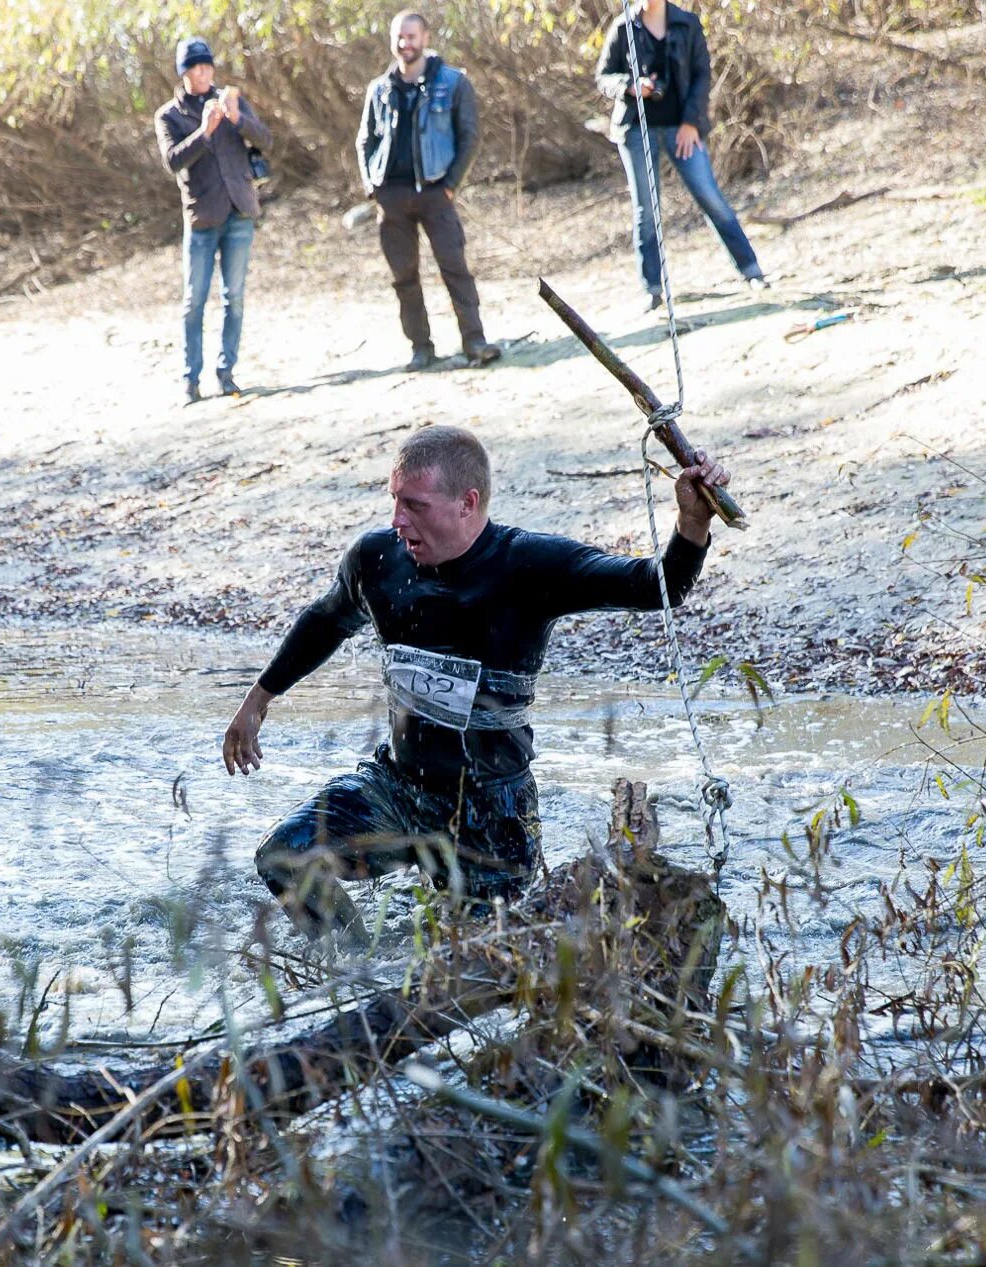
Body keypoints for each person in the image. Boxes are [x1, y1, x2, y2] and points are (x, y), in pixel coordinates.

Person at [222, 425, 729, 938]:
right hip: (398, 787)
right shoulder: (377, 561)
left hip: (491, 812)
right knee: (286, 855)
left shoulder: (530, 566)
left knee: (475, 960)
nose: (399, 521)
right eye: (395, 502)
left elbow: (657, 587)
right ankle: (356, 971)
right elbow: (327, 619)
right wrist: (259, 698)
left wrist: (692, 523)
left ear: (467, 503)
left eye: (415, 506)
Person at [595, 0, 766, 310]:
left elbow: (702, 76)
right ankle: (652, 289)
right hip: (636, 129)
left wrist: (691, 122)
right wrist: (629, 86)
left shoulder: (687, 23)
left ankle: (751, 270)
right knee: (646, 208)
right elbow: (603, 77)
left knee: (709, 195)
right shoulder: (623, 27)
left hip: (682, 127)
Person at [355, 11, 500, 371]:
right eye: (400, 37)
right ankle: (421, 347)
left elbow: (470, 137)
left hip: (437, 192)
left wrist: (451, 185)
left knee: (455, 268)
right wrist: (372, 186)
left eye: (412, 36)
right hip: (391, 197)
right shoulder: (379, 88)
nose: (406, 43)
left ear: (426, 37)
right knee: (403, 276)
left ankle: (474, 342)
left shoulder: (452, 83)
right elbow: (365, 140)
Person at [155, 37, 273, 403]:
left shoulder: (231, 101)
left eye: (208, 67)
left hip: (240, 210)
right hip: (203, 216)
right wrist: (203, 131)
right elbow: (172, 161)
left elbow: (265, 140)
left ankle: (227, 372)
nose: (205, 73)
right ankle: (191, 378)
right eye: (197, 68)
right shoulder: (169, 115)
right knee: (194, 301)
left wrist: (237, 118)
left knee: (233, 297)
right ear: (184, 73)